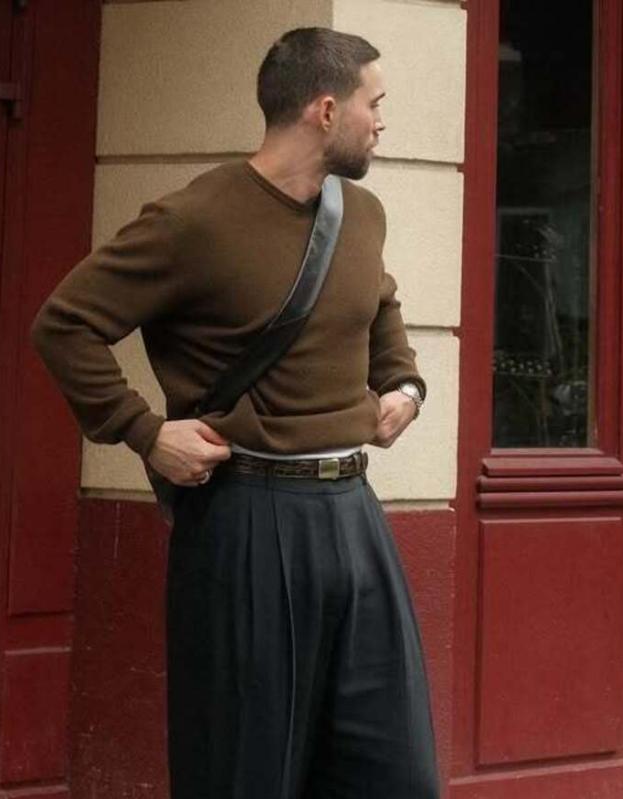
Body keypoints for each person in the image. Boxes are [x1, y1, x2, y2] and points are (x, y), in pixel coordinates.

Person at [30, 27, 440, 799]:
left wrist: (405, 387)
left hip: (355, 515)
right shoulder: (193, 220)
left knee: (398, 775)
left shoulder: (361, 214)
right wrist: (145, 432)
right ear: (325, 110)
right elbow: (64, 323)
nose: (382, 121)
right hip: (248, 517)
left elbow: (380, 306)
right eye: (374, 103)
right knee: (244, 772)